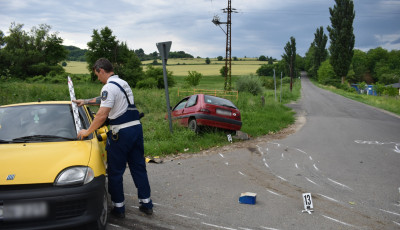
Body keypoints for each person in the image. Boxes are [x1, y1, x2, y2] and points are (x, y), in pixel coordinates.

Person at [73, 58, 153, 218]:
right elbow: (104, 100)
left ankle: (119, 208)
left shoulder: (108, 87)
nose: (97, 78)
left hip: (121, 134)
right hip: (136, 129)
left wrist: (87, 131)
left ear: (101, 70)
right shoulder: (123, 83)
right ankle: (146, 204)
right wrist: (85, 102)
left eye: (97, 75)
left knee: (115, 171)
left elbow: (102, 114)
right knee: (138, 168)